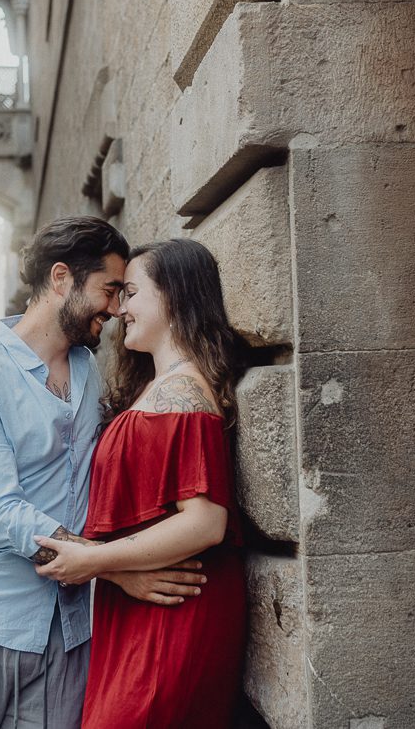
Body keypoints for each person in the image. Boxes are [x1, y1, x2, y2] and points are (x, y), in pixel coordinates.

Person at [0, 217, 207, 729]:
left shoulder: (92, 371)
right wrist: (113, 567)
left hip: (69, 626)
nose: (116, 310)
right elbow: (0, 514)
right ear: (61, 278)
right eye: (109, 290)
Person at [33, 238, 248, 729]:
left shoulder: (185, 392)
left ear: (172, 295)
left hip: (175, 608)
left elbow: (206, 522)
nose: (119, 308)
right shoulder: (158, 387)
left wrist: (94, 561)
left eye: (130, 293)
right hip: (140, 602)